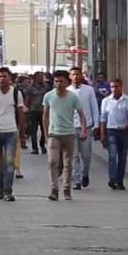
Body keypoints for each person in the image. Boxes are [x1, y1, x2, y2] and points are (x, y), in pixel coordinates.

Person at [42, 69, 87, 202]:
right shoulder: (48, 96)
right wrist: (45, 134)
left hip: (69, 134)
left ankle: (67, 189)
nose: (59, 83)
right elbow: (45, 116)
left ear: (67, 81)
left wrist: (83, 129)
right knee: (52, 161)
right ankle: (54, 189)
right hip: (53, 134)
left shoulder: (73, 97)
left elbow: (81, 114)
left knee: (68, 163)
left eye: (61, 81)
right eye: (56, 81)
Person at [0, 67, 26, 202]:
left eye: (4, 76)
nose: (2, 79)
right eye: (0, 76)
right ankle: (0, 189)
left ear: (10, 78)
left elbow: (20, 112)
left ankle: (8, 191)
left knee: (10, 163)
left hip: (11, 132)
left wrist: (22, 132)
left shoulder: (16, 93)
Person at [68, 66, 101, 191]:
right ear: (70, 77)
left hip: (86, 127)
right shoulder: (67, 91)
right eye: (73, 75)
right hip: (71, 127)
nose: (76, 77)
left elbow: (94, 107)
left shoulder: (89, 90)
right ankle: (76, 180)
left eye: (78, 74)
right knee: (74, 156)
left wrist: (96, 124)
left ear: (81, 76)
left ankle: (85, 173)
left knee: (86, 155)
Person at [100, 79, 128, 191]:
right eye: (112, 87)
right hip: (111, 131)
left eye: (116, 87)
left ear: (121, 87)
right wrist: (102, 133)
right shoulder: (106, 101)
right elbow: (103, 118)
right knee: (112, 156)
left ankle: (120, 180)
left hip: (123, 131)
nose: (114, 89)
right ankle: (112, 179)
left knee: (122, 157)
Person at [24, 71, 47, 154]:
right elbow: (27, 100)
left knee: (44, 129)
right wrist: (26, 111)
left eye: (42, 76)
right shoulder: (30, 88)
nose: (41, 78)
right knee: (33, 130)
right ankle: (35, 148)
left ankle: (42, 145)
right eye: (39, 76)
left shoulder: (46, 87)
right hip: (33, 111)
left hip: (43, 111)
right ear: (35, 78)